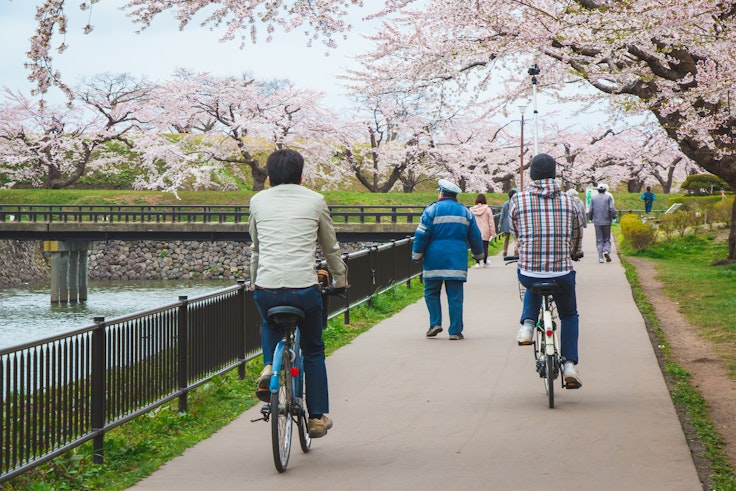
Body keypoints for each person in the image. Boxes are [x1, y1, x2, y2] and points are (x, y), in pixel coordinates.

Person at [249, 149, 348, 438]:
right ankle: (316, 417)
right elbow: (330, 247)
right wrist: (340, 279)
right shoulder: (315, 200)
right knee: (314, 349)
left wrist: (255, 281)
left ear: (268, 178)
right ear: (301, 176)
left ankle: (269, 366)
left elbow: (256, 248)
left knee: (269, 323)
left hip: (267, 288)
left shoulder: (257, 201)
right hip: (304, 289)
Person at [509, 154, 584, 388]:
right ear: (554, 173)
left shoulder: (518, 200)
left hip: (530, 271)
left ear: (531, 175)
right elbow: (577, 235)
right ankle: (570, 365)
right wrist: (574, 253)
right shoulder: (570, 202)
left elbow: (516, 233)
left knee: (532, 277)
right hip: (561, 273)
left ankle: (528, 325)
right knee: (569, 315)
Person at [412, 179, 484, 340]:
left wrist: (417, 255)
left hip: (434, 257)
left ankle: (435, 323)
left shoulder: (431, 210)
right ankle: (455, 331)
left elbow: (421, 234)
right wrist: (479, 255)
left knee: (431, 292)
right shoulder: (465, 212)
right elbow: (475, 235)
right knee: (455, 296)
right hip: (456, 258)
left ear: (441, 193)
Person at [588, 183, 617, 263]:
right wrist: (613, 216)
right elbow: (611, 208)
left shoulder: (593, 198)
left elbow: (590, 210)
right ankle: (606, 251)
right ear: (605, 190)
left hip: (597, 221)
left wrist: (590, 218)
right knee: (607, 238)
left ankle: (600, 258)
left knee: (599, 240)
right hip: (607, 221)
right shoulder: (608, 197)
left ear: (598, 190)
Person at [469, 193, 497, 268]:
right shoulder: (487, 210)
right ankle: (485, 262)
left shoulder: (472, 210)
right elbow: (491, 222)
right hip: (485, 230)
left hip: (475, 230)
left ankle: (477, 262)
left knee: (475, 247)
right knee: (485, 247)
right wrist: (493, 232)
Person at [498, 189, 518, 257]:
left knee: (506, 238)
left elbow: (502, 215)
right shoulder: (516, 204)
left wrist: (500, 223)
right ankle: (516, 251)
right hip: (514, 223)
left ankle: (505, 251)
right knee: (516, 238)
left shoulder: (505, 204)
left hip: (506, 223)